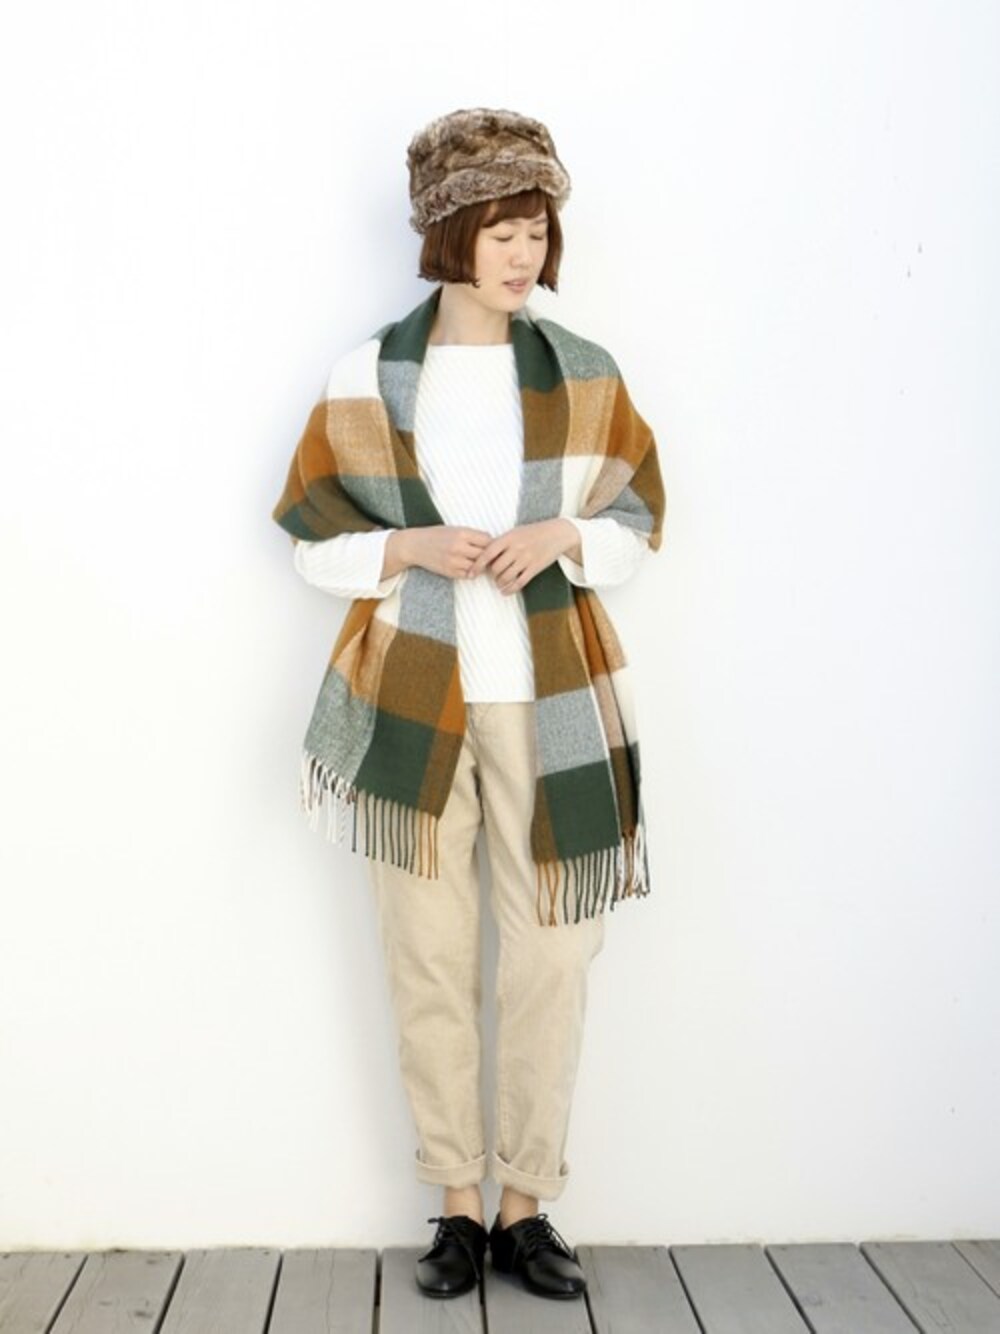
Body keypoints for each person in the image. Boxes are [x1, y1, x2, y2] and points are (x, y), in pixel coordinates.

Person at [272, 107, 666, 1302]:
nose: (522, 252)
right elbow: (311, 542)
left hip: (551, 704)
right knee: (429, 959)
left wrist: (564, 536)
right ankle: (454, 1200)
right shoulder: (369, 376)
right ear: (448, 235)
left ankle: (525, 1205)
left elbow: (638, 524)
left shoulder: (583, 370)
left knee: (552, 956)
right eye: (501, 229)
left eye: (536, 229)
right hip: (413, 702)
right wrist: (408, 548)